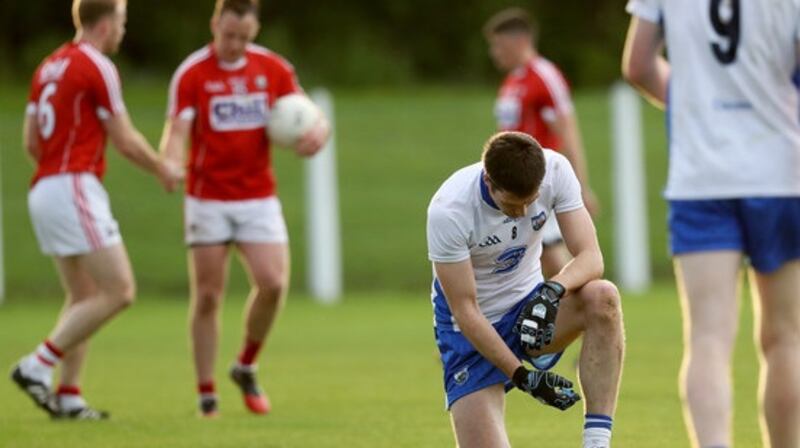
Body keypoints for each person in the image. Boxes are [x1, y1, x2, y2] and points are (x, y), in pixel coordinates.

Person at [623, 2, 800, 447]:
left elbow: (639, 64)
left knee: (707, 339)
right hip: (780, 174)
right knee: (786, 339)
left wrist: (693, 107)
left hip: (701, 179)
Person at [9, 0, 181, 420]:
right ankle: (37, 365)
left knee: (84, 295)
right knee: (120, 290)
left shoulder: (48, 66)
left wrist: (55, 174)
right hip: (72, 185)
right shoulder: (96, 65)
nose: (123, 30)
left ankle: (69, 397)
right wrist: (161, 167)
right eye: (122, 22)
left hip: (46, 187)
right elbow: (123, 138)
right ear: (106, 24)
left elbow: (31, 140)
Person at [159, 0, 329, 418]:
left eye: (244, 37)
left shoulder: (272, 68)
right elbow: (177, 130)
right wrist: (169, 161)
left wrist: (317, 135)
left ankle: (245, 364)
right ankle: (206, 394)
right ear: (215, 24)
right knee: (209, 296)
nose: (234, 44)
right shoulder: (193, 73)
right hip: (208, 198)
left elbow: (311, 116)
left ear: (254, 31)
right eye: (228, 35)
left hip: (257, 197)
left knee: (273, 284)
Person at [427, 131, 624, 448]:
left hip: (530, 309)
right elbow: (466, 311)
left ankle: (596, 443)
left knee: (602, 296)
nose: (521, 213)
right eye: (512, 205)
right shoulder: (449, 211)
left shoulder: (555, 171)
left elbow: (591, 257)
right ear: (488, 181)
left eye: (530, 203)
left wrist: (551, 291)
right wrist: (523, 377)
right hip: (471, 333)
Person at [484, 8, 600, 279]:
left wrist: (581, 186)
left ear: (519, 40)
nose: (494, 53)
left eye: (498, 45)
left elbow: (568, 131)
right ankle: (580, 310)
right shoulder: (513, 80)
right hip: (513, 180)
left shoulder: (544, 75)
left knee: (552, 257)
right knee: (539, 258)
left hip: (538, 177)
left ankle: (591, 307)